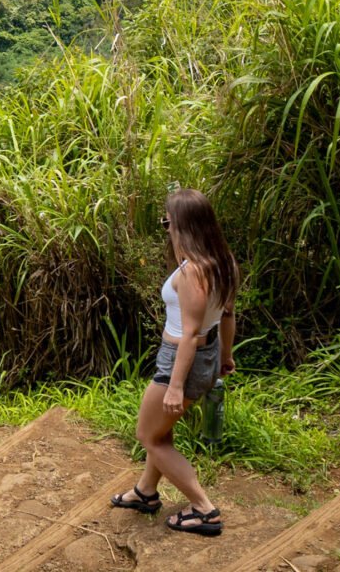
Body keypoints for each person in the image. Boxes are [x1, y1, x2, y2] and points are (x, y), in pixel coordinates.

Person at [109, 187, 238, 536]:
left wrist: (175, 386)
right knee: (160, 431)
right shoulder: (223, 262)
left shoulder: (193, 271)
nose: (166, 229)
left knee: (149, 436)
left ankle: (204, 510)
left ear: (182, 225)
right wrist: (225, 355)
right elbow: (227, 315)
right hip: (206, 356)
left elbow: (190, 334)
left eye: (167, 222)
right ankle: (145, 493)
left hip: (184, 361)